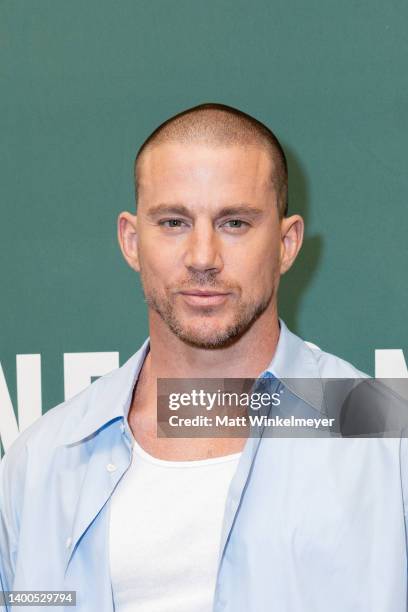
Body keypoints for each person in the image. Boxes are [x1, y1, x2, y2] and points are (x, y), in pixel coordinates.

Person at [1, 103, 407, 612]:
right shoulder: (41, 462)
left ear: (286, 243)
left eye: (234, 222)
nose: (202, 257)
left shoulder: (388, 438)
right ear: (131, 240)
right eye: (173, 222)